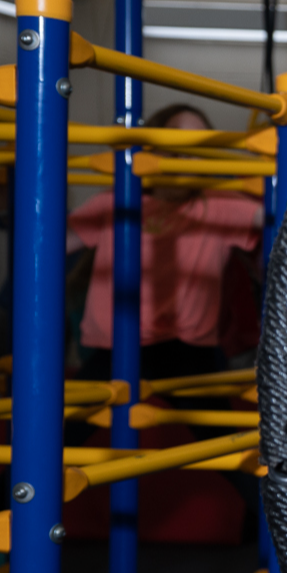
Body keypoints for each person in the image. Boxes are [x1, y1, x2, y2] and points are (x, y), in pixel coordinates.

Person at [69, 103, 262, 381]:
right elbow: (46, 247)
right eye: (174, 138)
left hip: (185, 348)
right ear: (152, 147)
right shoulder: (117, 201)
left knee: (212, 421)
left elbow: (283, 219)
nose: (183, 151)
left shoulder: (218, 203)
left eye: (197, 146)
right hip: (119, 343)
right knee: (74, 420)